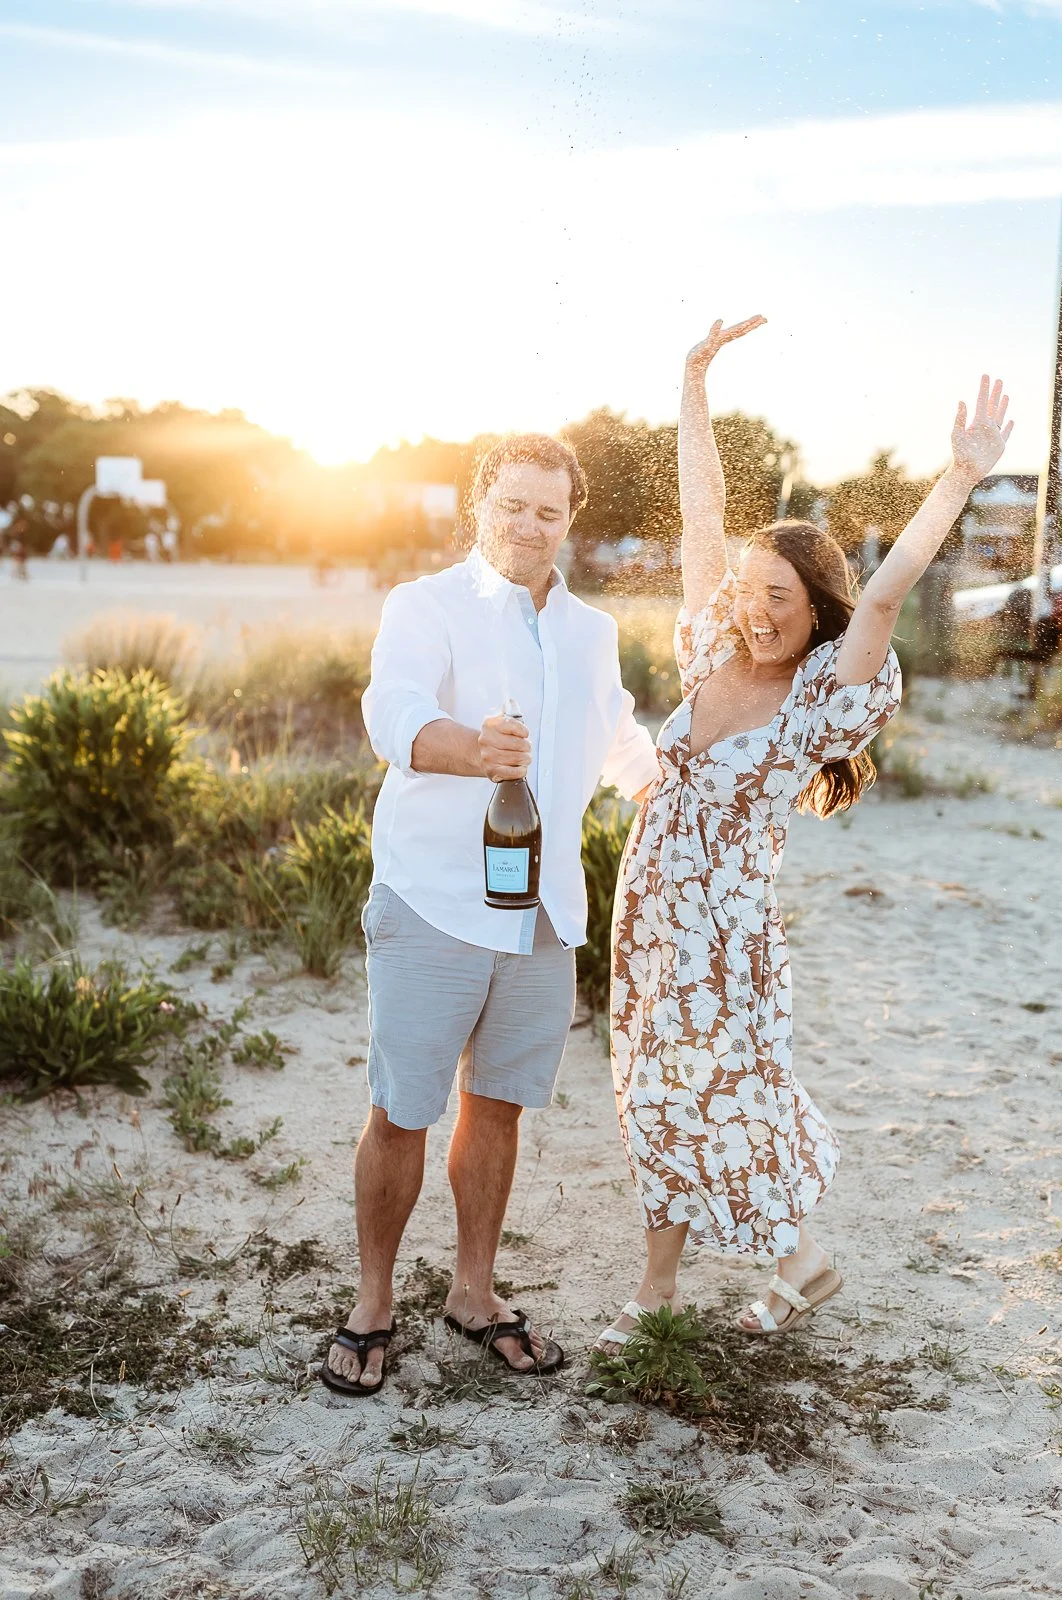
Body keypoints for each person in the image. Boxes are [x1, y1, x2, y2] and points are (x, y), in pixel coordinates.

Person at [599, 317, 1012, 1347]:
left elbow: (881, 592)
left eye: (774, 598)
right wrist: (690, 379)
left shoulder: (818, 700)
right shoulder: (705, 652)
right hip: (648, 905)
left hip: (725, 935)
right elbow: (702, 515)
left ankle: (785, 1262)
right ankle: (711, 1281)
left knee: (720, 1095)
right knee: (646, 1087)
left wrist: (957, 478)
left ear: (810, 609)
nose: (751, 611)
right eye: (746, 593)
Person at [321, 433, 660, 1397]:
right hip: (432, 900)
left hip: (542, 914)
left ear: (570, 519)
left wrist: (673, 782)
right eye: (512, 505)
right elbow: (390, 714)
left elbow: (617, 734)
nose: (529, 526)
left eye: (549, 511)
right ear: (482, 502)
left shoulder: (591, 629)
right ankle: (374, 1301)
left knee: (497, 1107)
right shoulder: (422, 604)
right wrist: (471, 750)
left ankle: (473, 1291)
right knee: (401, 1111)